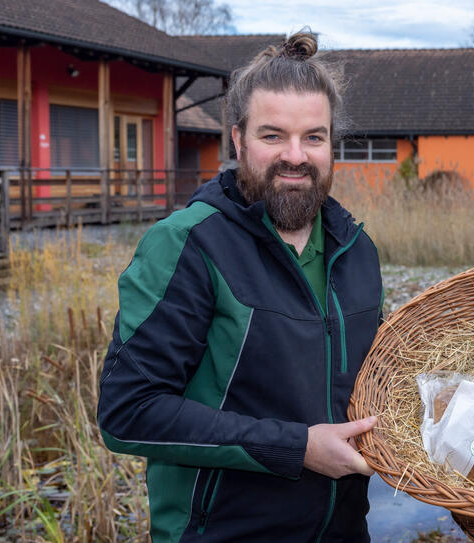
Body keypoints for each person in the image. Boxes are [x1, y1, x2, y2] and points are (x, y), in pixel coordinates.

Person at [97, 32, 383, 542]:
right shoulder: (187, 244)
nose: (295, 156)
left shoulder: (357, 252)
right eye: (272, 136)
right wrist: (296, 447)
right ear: (238, 140)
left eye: (313, 137)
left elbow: (374, 386)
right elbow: (128, 411)